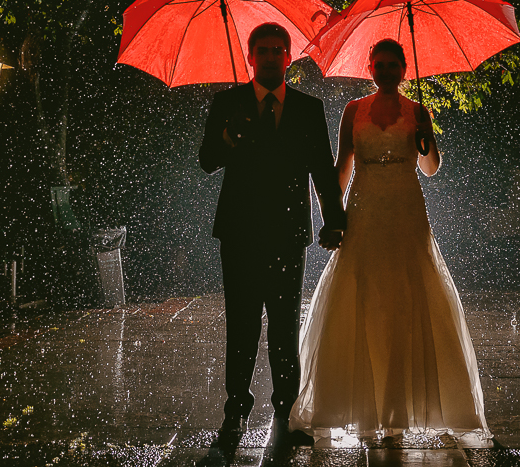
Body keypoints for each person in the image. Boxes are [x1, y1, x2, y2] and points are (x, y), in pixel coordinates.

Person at [288, 38, 491, 446]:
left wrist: (426, 138)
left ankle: (400, 408)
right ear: (370, 67)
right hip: (364, 211)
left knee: (406, 296)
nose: (384, 71)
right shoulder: (353, 111)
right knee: (362, 295)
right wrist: (334, 216)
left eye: (392, 65)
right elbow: (342, 166)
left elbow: (431, 168)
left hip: (406, 212)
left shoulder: (418, 111)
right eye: (378, 65)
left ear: (403, 68)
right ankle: (361, 403)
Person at [199, 22, 346, 442]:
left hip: (287, 231)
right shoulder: (227, 102)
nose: (269, 56)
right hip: (240, 232)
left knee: (284, 324)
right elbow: (207, 160)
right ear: (250, 56)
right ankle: (235, 412)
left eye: (277, 49)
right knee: (241, 323)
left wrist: (334, 219)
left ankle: (287, 412)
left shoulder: (308, 108)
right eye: (261, 50)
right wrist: (228, 135)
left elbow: (322, 169)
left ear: (288, 57)